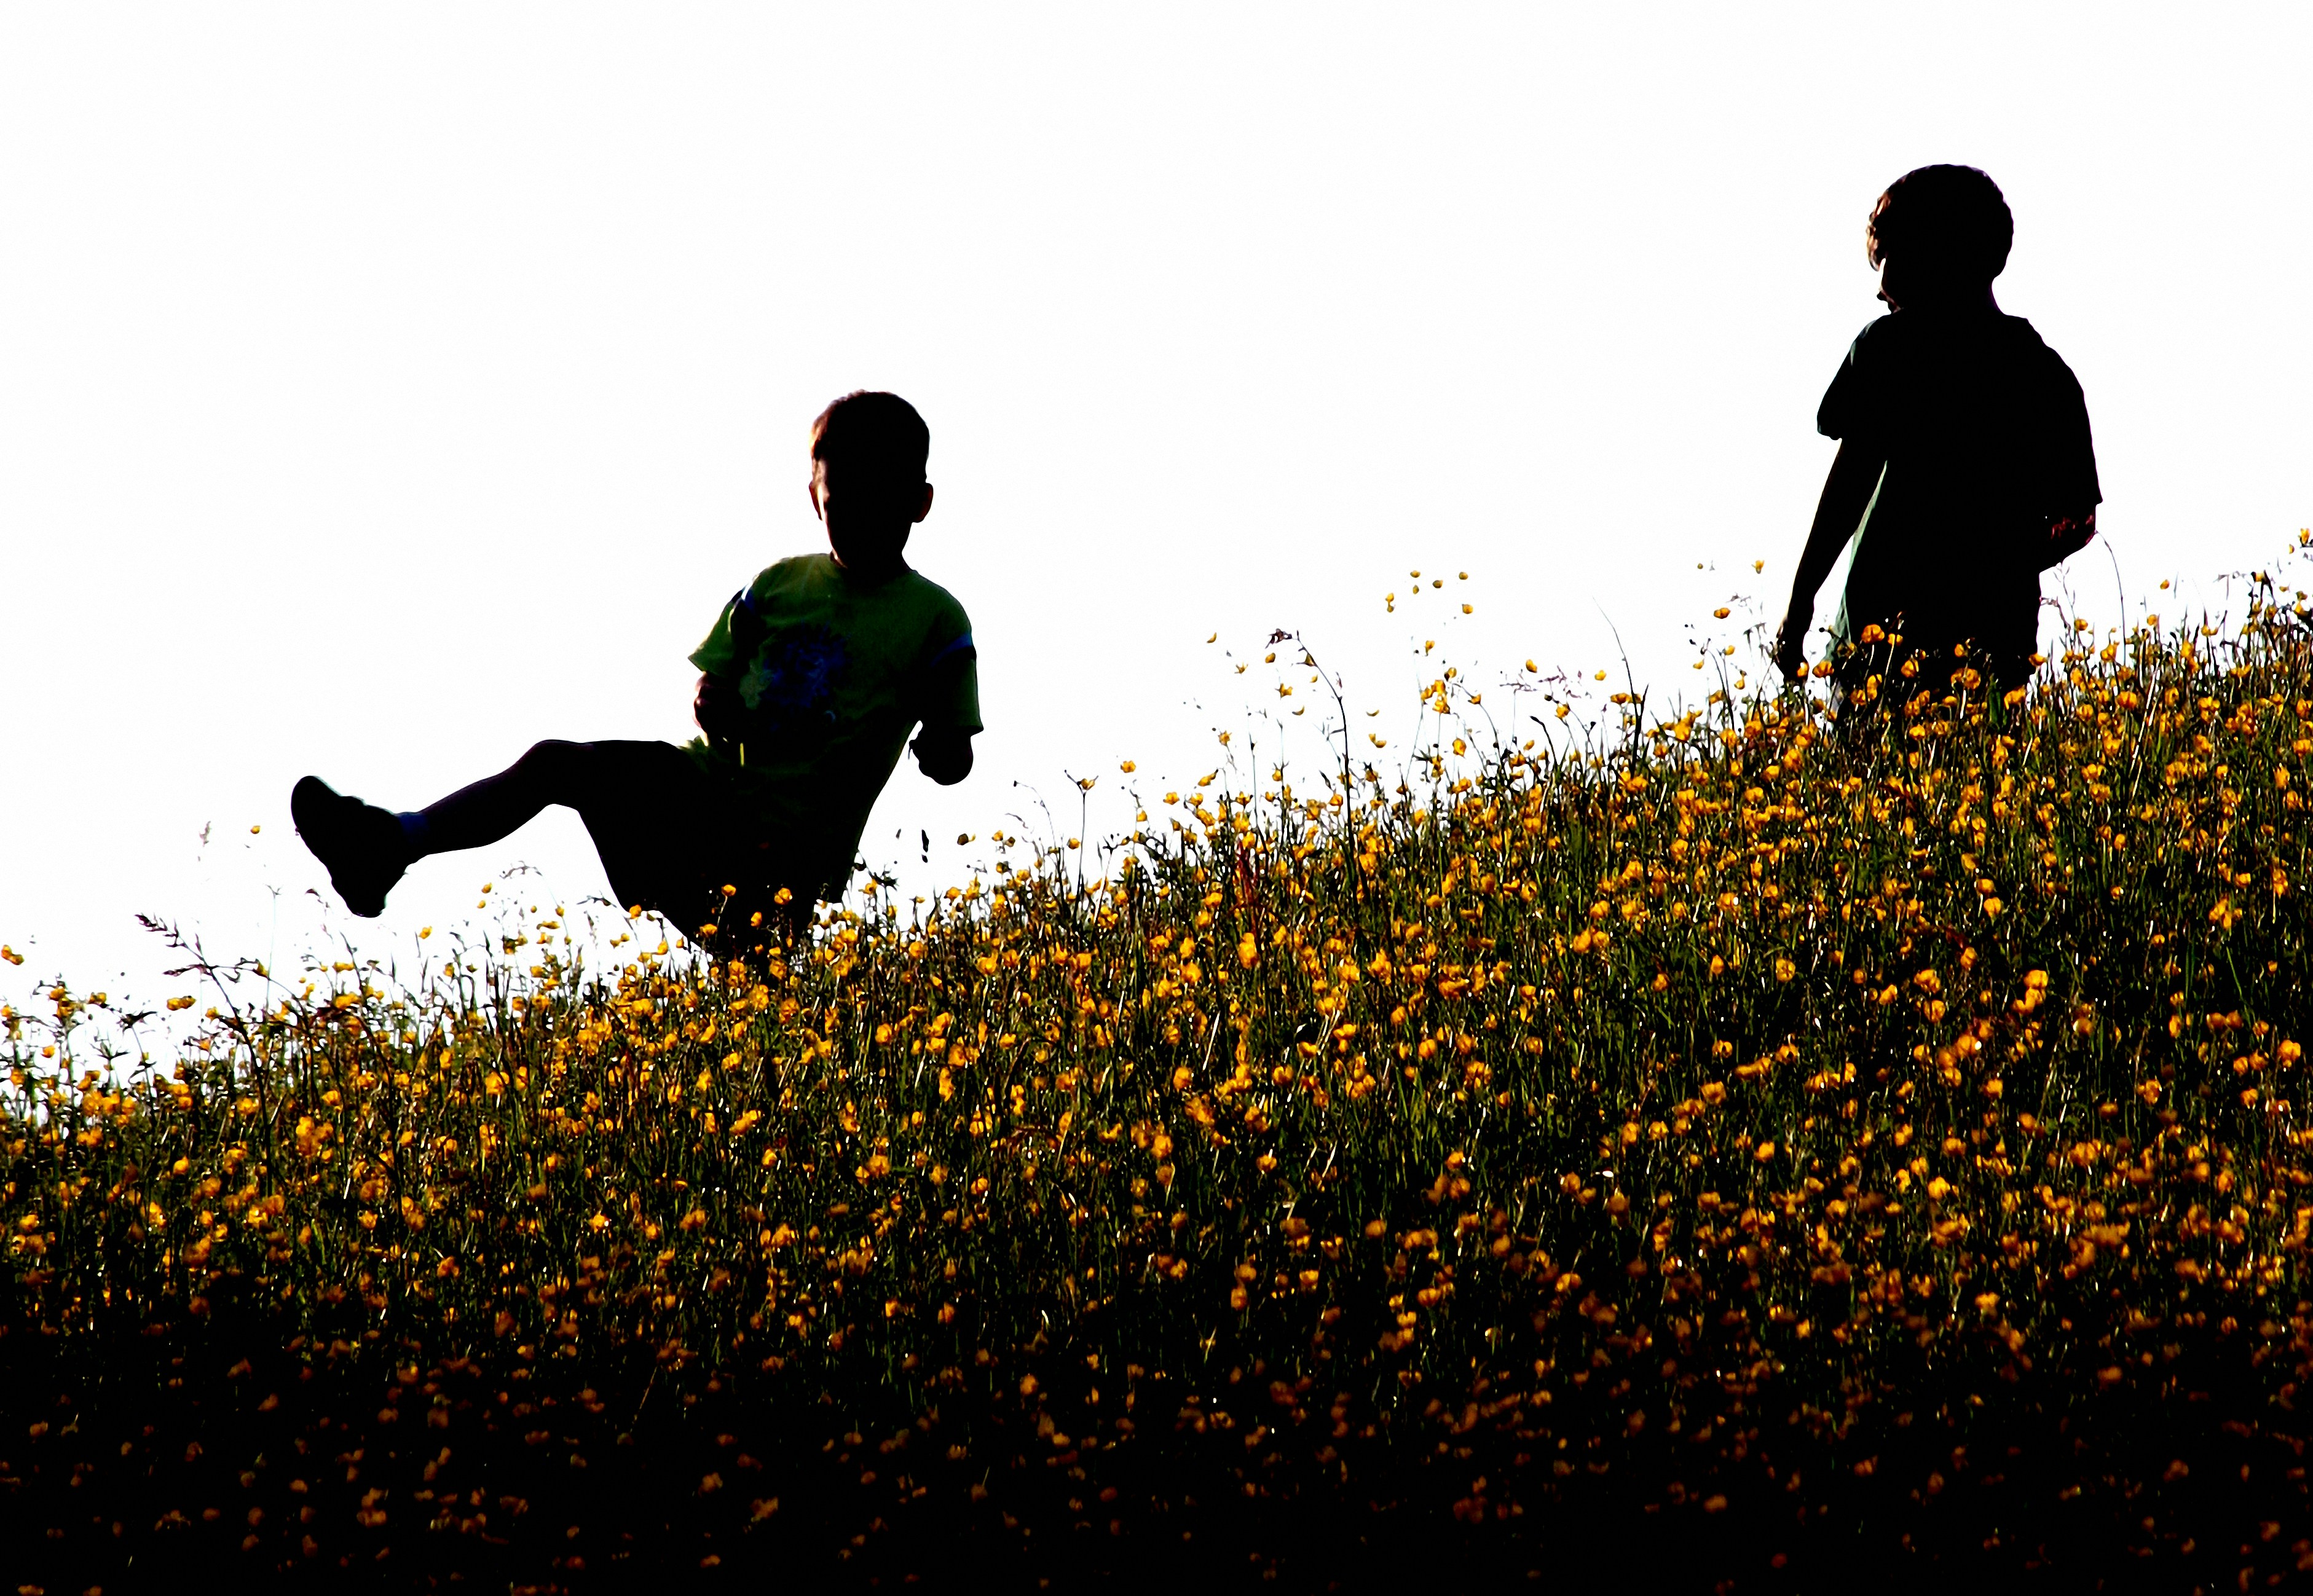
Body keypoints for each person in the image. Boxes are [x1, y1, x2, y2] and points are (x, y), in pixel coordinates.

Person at [291, 390, 980, 941]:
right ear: (813, 499)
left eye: (879, 500)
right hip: (698, 794)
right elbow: (711, 682)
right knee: (558, 762)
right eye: (840, 502)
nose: (857, 517)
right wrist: (711, 701)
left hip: (783, 865)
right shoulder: (773, 587)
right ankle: (389, 844)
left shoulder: (936, 622)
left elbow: (955, 757)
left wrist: (941, 753)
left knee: (765, 1000)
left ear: (919, 502)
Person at [1773, 164, 2101, 710]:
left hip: (1874, 647)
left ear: (1937, 257)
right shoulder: (2042, 373)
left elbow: (1848, 485)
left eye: (1890, 263)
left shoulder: (1889, 351)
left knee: (1867, 788)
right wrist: (1995, 564)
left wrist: (1799, 601)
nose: (1880, 290)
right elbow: (2078, 522)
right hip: (1993, 649)